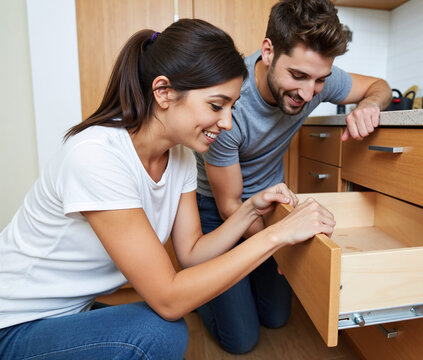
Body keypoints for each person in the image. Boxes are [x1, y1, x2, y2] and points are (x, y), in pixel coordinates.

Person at [0, 19, 336, 360]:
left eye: (232, 107)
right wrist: (277, 236)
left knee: (158, 324)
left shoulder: (179, 158)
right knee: (158, 332)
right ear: (163, 92)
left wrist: (251, 209)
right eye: (217, 105)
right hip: (13, 324)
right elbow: (169, 298)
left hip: (70, 312)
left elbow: (191, 252)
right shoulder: (95, 157)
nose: (227, 122)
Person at [194, 0, 393, 354]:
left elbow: (379, 85)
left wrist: (368, 106)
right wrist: (282, 248)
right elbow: (229, 205)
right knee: (241, 340)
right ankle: (198, 290)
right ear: (268, 52)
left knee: (276, 317)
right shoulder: (230, 108)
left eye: (320, 80)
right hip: (220, 210)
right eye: (298, 76)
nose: (307, 93)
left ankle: (239, 287)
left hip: (271, 206)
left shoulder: (315, 80)